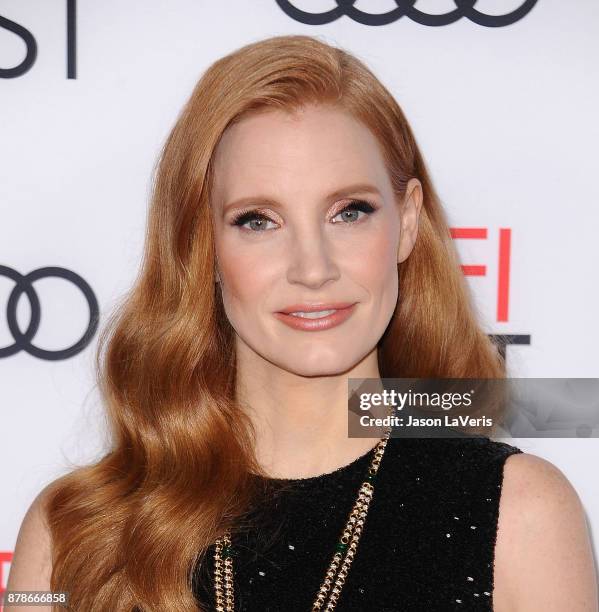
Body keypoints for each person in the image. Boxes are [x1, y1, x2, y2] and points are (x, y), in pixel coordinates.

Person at [7, 35, 597, 612]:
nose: (312, 268)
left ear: (408, 222)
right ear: (200, 245)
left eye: (350, 212)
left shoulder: (520, 514)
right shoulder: (70, 535)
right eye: (258, 220)